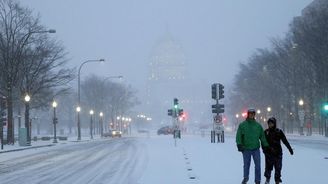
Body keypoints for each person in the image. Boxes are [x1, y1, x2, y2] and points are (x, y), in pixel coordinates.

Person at [236, 108, 269, 184]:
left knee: (258, 166)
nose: (251, 115)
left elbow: (262, 137)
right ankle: (245, 178)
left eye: (253, 114)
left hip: (255, 149)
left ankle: (257, 180)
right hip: (246, 149)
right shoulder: (242, 125)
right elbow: (238, 136)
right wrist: (239, 144)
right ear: (248, 114)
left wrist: (266, 146)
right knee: (246, 165)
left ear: (254, 115)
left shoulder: (258, 126)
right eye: (250, 113)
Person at [264, 117, 294, 184]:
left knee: (278, 168)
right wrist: (265, 150)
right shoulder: (266, 132)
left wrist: (290, 149)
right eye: (269, 123)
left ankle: (277, 180)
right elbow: (263, 143)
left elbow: (285, 141)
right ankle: (267, 179)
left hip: (278, 154)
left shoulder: (279, 131)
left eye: (271, 123)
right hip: (269, 154)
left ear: (274, 124)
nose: (270, 125)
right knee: (268, 168)